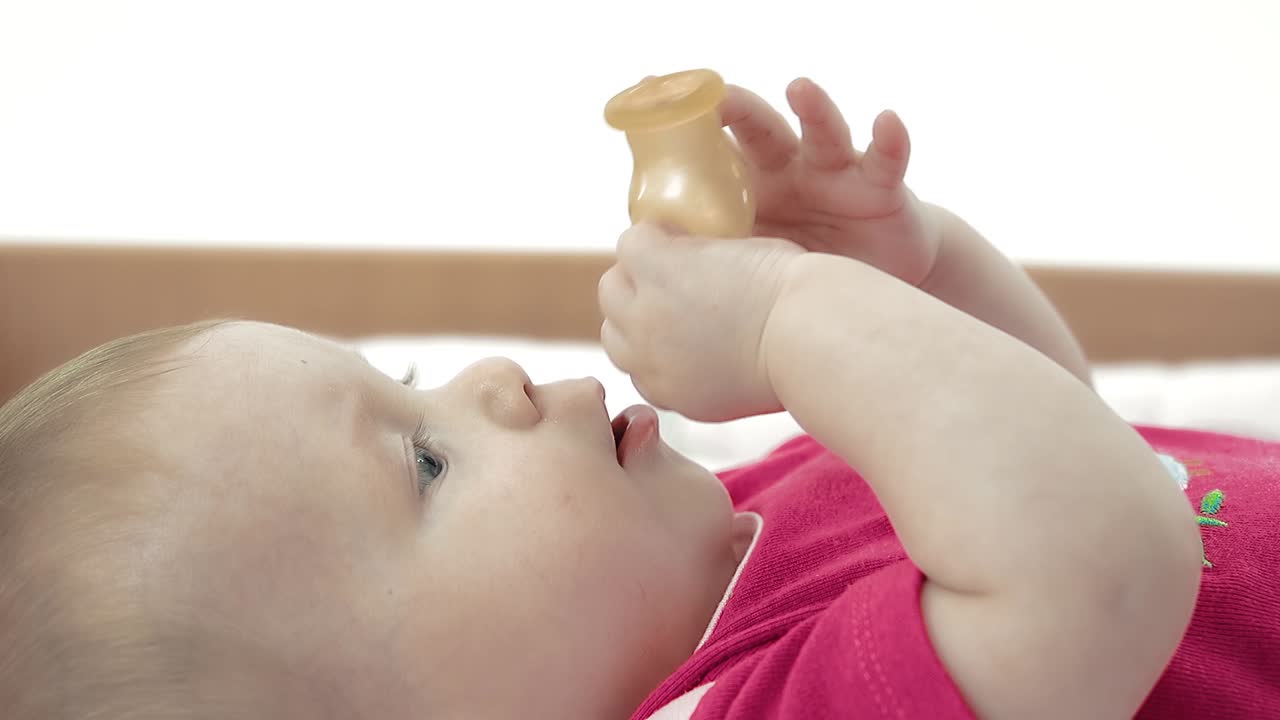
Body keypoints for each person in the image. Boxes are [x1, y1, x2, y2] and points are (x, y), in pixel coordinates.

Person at [0, 78, 1275, 720]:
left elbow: (1079, 441)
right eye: (424, 463)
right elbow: (1101, 561)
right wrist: (791, 317)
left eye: (406, 387)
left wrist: (906, 286)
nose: (484, 379)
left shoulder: (737, 523)